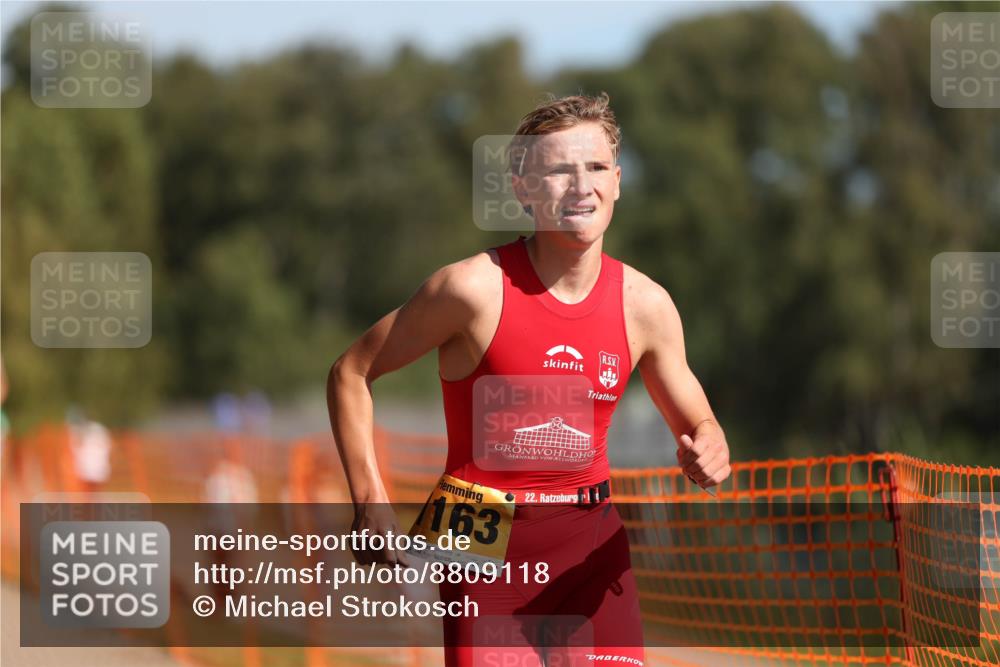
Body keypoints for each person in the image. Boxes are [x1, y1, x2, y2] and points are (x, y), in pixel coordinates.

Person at [327, 93, 731, 666]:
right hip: (479, 538)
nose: (580, 186)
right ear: (522, 188)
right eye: (558, 171)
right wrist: (369, 498)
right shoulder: (470, 290)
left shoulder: (646, 305)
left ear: (617, 182)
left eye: (594, 168)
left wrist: (711, 446)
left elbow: (700, 423)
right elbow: (350, 372)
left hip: (591, 539)